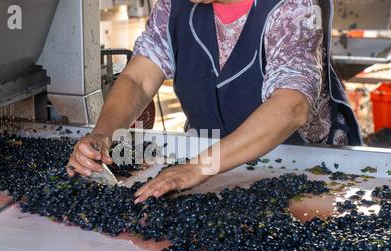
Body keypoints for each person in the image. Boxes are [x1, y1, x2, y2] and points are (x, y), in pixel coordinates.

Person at [68, 0, 361, 203]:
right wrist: (102, 135)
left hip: (303, 171)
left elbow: (291, 106)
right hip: (210, 171)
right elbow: (138, 79)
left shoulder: (291, 7)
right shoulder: (174, 7)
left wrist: (197, 168)